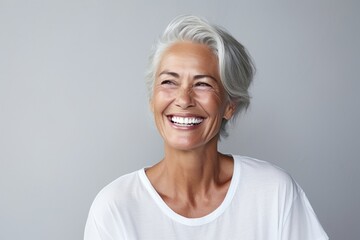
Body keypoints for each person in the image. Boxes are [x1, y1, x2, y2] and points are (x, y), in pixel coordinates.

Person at [84, 15, 328, 240]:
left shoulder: (274, 193)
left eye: (202, 84)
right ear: (152, 99)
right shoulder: (115, 207)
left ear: (229, 105)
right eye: (169, 81)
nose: (183, 99)